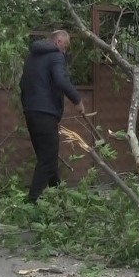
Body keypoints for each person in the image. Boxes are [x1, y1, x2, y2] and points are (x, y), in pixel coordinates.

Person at [19, 30, 86, 202]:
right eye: (66, 45)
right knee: (47, 159)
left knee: (47, 158)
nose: (66, 50)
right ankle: (31, 201)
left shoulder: (31, 58)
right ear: (58, 42)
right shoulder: (56, 56)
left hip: (31, 112)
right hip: (46, 113)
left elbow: (22, 83)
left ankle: (59, 199)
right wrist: (77, 100)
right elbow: (61, 80)